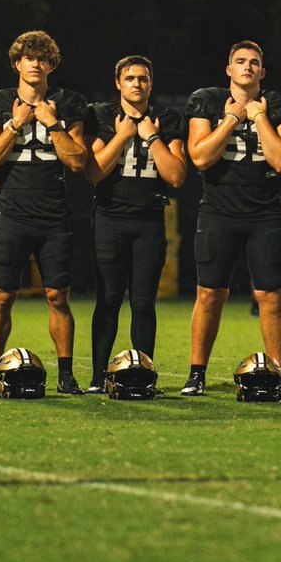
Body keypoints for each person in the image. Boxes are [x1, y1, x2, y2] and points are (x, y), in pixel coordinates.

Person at [181, 40, 281, 397]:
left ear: (263, 72)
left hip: (264, 212)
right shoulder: (207, 100)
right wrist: (232, 117)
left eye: (254, 63)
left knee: (271, 296)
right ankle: (196, 373)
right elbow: (200, 158)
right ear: (228, 69)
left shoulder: (279, 105)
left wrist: (260, 117)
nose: (247, 67)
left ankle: (278, 374)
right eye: (240, 61)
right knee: (209, 294)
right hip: (219, 210)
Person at [0, 30, 88, 395]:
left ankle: (66, 375)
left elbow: (77, 161)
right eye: (29, 57)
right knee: (2, 297)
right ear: (17, 63)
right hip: (13, 214)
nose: (36, 63)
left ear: (51, 65)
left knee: (58, 297)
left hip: (54, 217)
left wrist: (52, 123)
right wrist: (15, 123)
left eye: (43, 58)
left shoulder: (68, 104)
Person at [83, 55, 187, 392]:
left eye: (143, 78)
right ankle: (99, 375)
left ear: (151, 83)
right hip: (110, 218)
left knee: (143, 302)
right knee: (109, 298)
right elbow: (94, 172)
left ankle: (143, 374)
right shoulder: (102, 116)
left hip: (148, 221)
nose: (137, 84)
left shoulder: (166, 119)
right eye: (130, 78)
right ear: (118, 83)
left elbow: (176, 176)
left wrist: (151, 138)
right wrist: (123, 135)